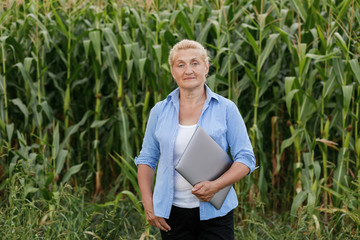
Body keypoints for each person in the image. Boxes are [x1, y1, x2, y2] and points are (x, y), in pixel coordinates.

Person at [135, 39, 256, 240]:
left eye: (195, 63)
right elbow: (146, 159)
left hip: (217, 214)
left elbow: (246, 159)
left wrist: (216, 185)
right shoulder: (159, 111)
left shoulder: (226, 109)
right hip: (172, 214)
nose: (188, 70)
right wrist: (149, 204)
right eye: (180, 65)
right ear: (173, 72)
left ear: (206, 67)